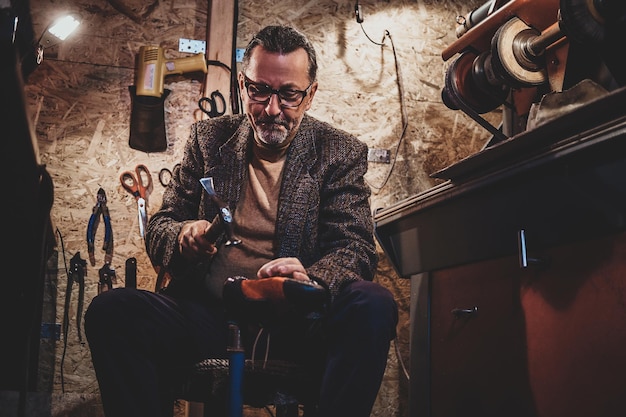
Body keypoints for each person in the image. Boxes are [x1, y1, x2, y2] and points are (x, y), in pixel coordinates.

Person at [84, 24, 398, 417]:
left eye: (288, 95)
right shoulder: (208, 139)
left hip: (299, 325)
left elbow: (354, 247)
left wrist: (311, 280)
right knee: (112, 312)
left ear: (310, 93)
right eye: (259, 91)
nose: (271, 109)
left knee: (372, 302)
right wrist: (181, 236)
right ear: (243, 85)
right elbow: (163, 223)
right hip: (212, 318)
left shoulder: (337, 151)